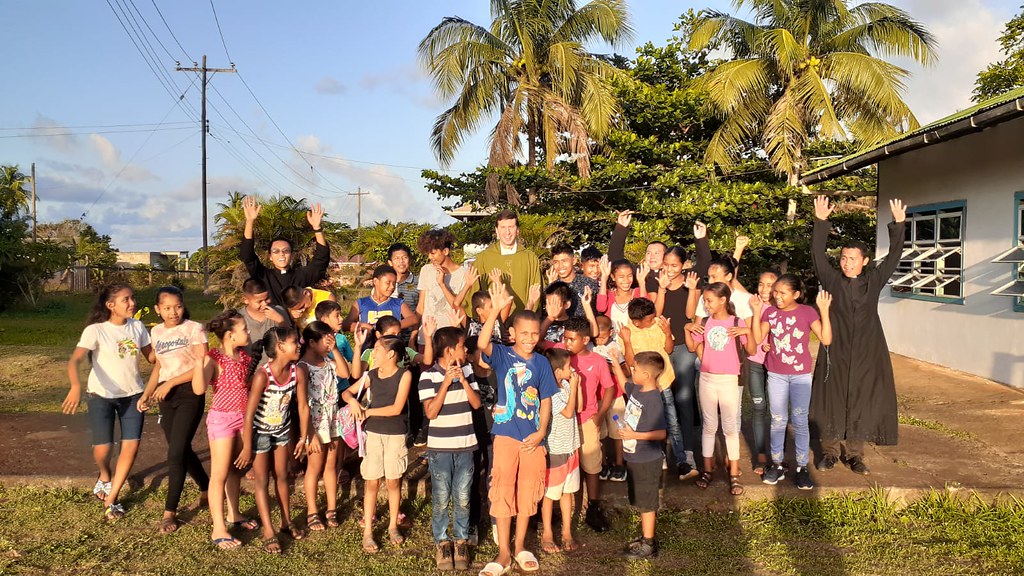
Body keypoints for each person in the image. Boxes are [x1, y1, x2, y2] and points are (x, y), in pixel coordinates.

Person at [811, 195, 907, 474]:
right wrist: (820, 222)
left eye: (853, 259)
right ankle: (828, 453)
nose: (847, 263)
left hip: (867, 350)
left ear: (864, 261)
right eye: (843, 258)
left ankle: (854, 454)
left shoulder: (874, 280)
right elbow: (818, 255)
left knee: (860, 398)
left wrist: (898, 225)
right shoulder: (831, 280)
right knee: (831, 397)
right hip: (835, 348)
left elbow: (894, 257)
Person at [476, 283, 558, 576]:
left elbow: (546, 400)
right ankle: (503, 553)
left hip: (533, 439)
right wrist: (495, 310)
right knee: (501, 491)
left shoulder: (542, 363)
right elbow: (482, 344)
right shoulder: (502, 355)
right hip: (506, 435)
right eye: (524, 333)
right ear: (513, 333)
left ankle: (521, 545)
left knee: (527, 491)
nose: (529, 338)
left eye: (535, 334)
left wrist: (541, 432)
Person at [63, 283, 154, 522]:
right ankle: (104, 474)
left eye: (132, 298)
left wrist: (172, 346)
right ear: (110, 305)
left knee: (130, 447)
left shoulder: (137, 326)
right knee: (103, 450)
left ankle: (112, 497)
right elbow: (75, 361)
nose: (132, 303)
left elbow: (152, 357)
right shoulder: (96, 330)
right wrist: (75, 386)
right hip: (101, 396)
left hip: (134, 395)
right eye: (126, 299)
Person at [137, 286, 210, 534]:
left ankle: (170, 512)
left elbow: (202, 365)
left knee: (175, 452)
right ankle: (207, 489)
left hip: (190, 393)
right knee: (181, 449)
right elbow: (159, 367)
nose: (173, 312)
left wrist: (171, 383)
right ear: (158, 309)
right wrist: (147, 393)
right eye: (167, 308)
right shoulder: (156, 332)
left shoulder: (194, 329)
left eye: (177, 306)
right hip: (164, 396)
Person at [750, 275, 833, 490]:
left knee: (799, 421)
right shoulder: (770, 312)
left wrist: (824, 310)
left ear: (796, 294)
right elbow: (758, 338)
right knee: (778, 420)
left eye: (782, 293)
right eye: (775, 292)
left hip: (800, 376)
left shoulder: (807, 312)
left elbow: (826, 339)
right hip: (776, 374)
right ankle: (777, 464)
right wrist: (757, 312)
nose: (776, 296)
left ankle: (802, 468)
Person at [191, 309, 258, 550]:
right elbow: (199, 389)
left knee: (234, 470)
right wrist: (199, 364)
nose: (248, 332)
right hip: (222, 421)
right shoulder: (214, 358)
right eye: (244, 329)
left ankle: (234, 514)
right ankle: (218, 527)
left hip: (243, 419)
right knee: (218, 474)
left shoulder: (245, 357)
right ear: (230, 335)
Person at [241, 327, 310, 554]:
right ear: (280, 347)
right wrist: (248, 446)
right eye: (294, 342)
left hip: (281, 431)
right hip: (260, 433)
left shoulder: (297, 372)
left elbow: (302, 406)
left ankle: (285, 521)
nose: (299, 344)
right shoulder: (263, 375)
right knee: (262, 481)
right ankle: (268, 530)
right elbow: (249, 414)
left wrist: (303, 437)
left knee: (282, 476)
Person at [342, 335, 413, 554]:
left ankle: (392, 525)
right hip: (373, 434)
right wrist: (353, 401)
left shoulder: (405, 375)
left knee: (393, 481)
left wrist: (367, 411)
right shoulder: (371, 375)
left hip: (395, 433)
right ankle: (368, 532)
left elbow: (396, 408)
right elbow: (346, 392)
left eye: (377, 350)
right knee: (371, 481)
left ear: (391, 354)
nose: (374, 354)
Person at [684, 283, 757, 496]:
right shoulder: (705, 322)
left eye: (709, 300)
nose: (706, 305)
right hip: (707, 379)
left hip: (728, 380)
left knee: (730, 428)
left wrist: (748, 331)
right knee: (709, 426)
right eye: (705, 300)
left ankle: (734, 473)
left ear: (723, 299)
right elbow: (691, 346)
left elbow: (751, 350)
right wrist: (686, 329)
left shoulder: (736, 322)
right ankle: (707, 470)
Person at [419, 327, 481, 571]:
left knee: (463, 497)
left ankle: (461, 540)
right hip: (440, 449)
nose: (466, 350)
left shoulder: (468, 370)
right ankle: (442, 541)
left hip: (465, 446)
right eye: (462, 346)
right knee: (442, 497)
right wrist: (445, 383)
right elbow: (431, 412)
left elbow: (476, 404)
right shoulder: (428, 377)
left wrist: (464, 381)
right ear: (449, 350)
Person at [653, 223, 712, 471]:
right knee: (661, 400)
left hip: (683, 349)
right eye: (666, 265)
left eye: (674, 265)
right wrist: (662, 289)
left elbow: (690, 314)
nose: (669, 269)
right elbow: (656, 313)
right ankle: (666, 448)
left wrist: (691, 290)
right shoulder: (659, 282)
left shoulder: (692, 284)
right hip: (661, 348)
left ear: (684, 265)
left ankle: (688, 450)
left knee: (684, 398)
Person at [619, 297, 695, 481]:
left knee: (672, 422)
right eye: (650, 319)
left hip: (663, 382)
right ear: (637, 321)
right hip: (644, 389)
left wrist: (668, 333)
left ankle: (681, 461)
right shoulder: (627, 331)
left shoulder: (658, 325)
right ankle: (658, 457)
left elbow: (668, 350)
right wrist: (627, 341)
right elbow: (630, 363)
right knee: (650, 423)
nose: (654, 320)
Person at [560, 316, 616, 533]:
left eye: (571, 339)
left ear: (585, 340)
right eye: (565, 339)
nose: (567, 343)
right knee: (564, 465)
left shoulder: (598, 361)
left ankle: (593, 507)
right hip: (564, 421)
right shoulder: (561, 357)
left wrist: (601, 414)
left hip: (587, 420)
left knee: (592, 467)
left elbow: (609, 388)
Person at [299, 321, 351, 531]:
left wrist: (335, 350)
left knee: (331, 465)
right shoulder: (303, 367)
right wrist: (310, 434)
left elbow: (345, 374)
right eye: (326, 340)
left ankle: (331, 508)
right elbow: (302, 403)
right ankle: (312, 511)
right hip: (315, 422)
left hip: (332, 419)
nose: (330, 343)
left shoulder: (328, 361)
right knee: (314, 467)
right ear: (312, 343)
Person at [619, 351, 669, 560]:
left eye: (635, 369)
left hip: (647, 459)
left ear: (647, 374)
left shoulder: (653, 399)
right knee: (640, 498)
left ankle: (649, 544)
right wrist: (614, 362)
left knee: (647, 502)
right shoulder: (638, 390)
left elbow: (661, 433)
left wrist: (634, 435)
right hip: (634, 457)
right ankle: (645, 536)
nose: (632, 372)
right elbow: (624, 385)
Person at [239, 195, 331, 308]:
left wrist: (317, 228)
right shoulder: (263, 276)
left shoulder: (302, 276)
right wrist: (249, 221)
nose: (281, 254)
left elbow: (321, 259)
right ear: (270, 256)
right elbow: (247, 255)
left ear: (292, 255)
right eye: (276, 251)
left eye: (285, 250)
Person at [539, 348, 581, 554]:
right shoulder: (549, 391)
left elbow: (578, 407)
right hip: (555, 450)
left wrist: (574, 387)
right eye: (568, 366)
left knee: (567, 492)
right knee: (550, 494)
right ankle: (547, 532)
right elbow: (568, 412)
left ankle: (566, 531)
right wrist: (573, 388)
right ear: (557, 372)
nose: (572, 369)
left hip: (571, 447)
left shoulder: (565, 385)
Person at [469, 210, 542, 314]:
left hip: (523, 321)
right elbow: (475, 293)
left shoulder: (530, 258)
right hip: (494, 322)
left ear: (517, 230)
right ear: (497, 231)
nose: (507, 232)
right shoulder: (483, 258)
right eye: (503, 228)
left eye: (511, 227)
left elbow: (537, 293)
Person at [416, 229, 476, 343]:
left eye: (433, 253)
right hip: (426, 338)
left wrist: (442, 285)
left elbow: (458, 307)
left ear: (446, 251)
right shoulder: (426, 270)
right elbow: (421, 306)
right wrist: (414, 335)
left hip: (450, 339)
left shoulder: (464, 274)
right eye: (428, 253)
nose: (430, 257)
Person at [747, 269, 779, 476]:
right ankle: (760, 453)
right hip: (755, 364)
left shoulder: (784, 307)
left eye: (770, 285)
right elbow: (731, 280)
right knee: (759, 408)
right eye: (761, 284)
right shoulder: (752, 304)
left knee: (777, 411)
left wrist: (772, 345)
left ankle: (778, 455)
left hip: (777, 367)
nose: (765, 289)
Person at [343, 265, 420, 334]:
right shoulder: (361, 303)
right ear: (375, 281)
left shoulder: (398, 303)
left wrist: (391, 327)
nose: (392, 286)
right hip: (368, 348)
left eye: (394, 283)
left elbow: (413, 319)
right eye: (388, 283)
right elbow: (346, 325)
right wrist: (364, 326)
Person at [607, 209, 667, 294]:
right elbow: (615, 261)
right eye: (649, 253)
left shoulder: (673, 273)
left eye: (657, 253)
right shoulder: (637, 272)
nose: (652, 256)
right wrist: (621, 228)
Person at [237, 278, 287, 371]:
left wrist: (281, 321)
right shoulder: (239, 319)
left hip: (277, 373)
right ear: (245, 300)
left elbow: (290, 338)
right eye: (259, 301)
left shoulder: (279, 312)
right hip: (250, 374)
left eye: (267, 298)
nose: (264, 304)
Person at [596, 255, 650, 330]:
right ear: (613, 277)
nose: (626, 280)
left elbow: (646, 311)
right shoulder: (608, 294)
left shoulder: (637, 292)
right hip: (614, 340)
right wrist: (604, 278)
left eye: (629, 276)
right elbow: (601, 308)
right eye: (621, 277)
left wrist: (642, 283)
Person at [547, 242, 599, 318]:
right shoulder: (551, 289)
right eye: (556, 262)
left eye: (564, 261)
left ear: (574, 260)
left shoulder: (589, 284)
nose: (560, 266)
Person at [540, 281, 573, 346]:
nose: (551, 307)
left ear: (567, 305)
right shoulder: (542, 321)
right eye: (549, 303)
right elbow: (537, 339)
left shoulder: (573, 323)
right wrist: (550, 318)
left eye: (555, 303)